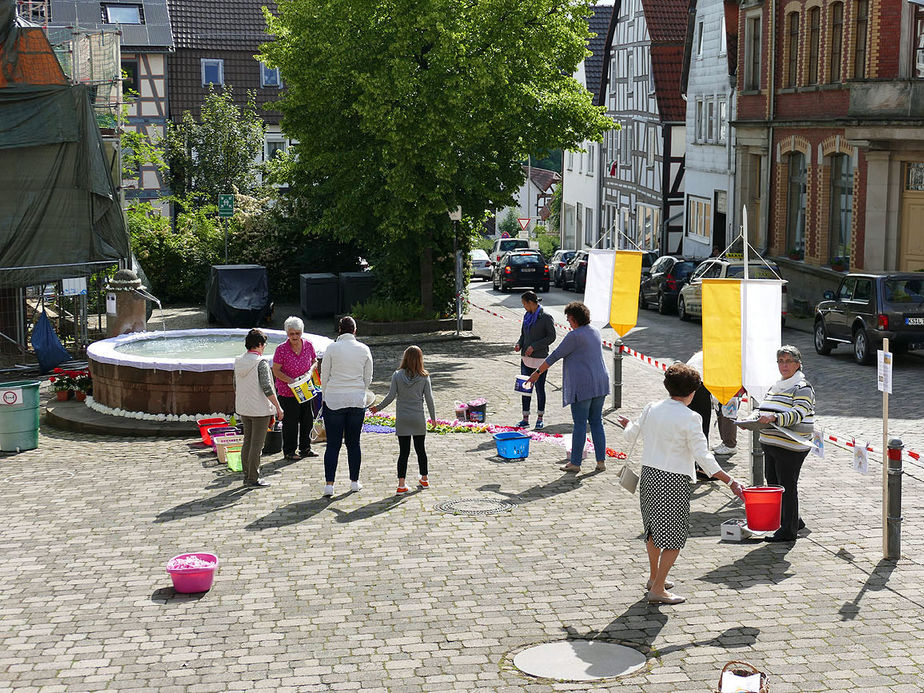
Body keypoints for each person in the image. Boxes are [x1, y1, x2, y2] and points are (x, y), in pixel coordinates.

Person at [617, 363, 745, 605]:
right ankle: (657, 588)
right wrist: (729, 480)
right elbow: (703, 456)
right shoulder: (691, 417)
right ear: (692, 391)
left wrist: (628, 425)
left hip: (649, 476)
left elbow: (630, 435)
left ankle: (655, 578)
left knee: (653, 531)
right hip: (673, 480)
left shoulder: (651, 407)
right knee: (674, 538)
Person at [525, 301, 609, 473]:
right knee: (596, 422)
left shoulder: (574, 336)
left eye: (569, 319)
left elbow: (555, 355)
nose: (568, 322)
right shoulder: (595, 331)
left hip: (583, 386)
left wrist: (537, 373)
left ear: (573, 318)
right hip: (600, 383)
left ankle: (576, 463)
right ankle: (601, 462)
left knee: (579, 424)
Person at [756, 345, 815, 543]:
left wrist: (774, 418)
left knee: (787, 486)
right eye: (781, 361)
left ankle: (788, 532)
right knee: (773, 484)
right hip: (771, 443)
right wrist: (752, 420)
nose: (784, 365)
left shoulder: (803, 387)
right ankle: (793, 520)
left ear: (798, 364)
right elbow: (764, 408)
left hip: (791, 445)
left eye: (789, 361)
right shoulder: (775, 385)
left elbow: (798, 413)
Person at [369, 345, 436, 494]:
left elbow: (391, 396)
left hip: (403, 418)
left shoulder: (397, 375)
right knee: (421, 450)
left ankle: (401, 484)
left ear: (405, 358)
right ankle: (424, 479)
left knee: (403, 453)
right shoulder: (424, 377)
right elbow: (430, 399)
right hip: (418, 417)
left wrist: (377, 408)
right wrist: (433, 418)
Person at [320, 316, 373, 497]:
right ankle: (354, 482)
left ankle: (329, 484)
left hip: (334, 399)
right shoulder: (364, 349)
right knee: (353, 443)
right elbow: (368, 377)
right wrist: (361, 391)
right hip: (356, 399)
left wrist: (325, 395)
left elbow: (324, 374)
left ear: (339, 330)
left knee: (333, 445)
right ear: (355, 330)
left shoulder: (332, 348)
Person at [234, 328, 284, 488]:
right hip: (259, 409)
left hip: (244, 408)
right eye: (264, 345)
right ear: (260, 344)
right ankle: (253, 478)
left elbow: (235, 384)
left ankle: (246, 476)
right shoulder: (260, 363)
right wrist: (278, 407)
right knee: (257, 444)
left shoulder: (239, 360)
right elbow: (267, 387)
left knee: (247, 442)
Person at [272, 316, 319, 461]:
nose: (295, 337)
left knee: (307, 419)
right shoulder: (281, 349)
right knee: (290, 422)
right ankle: (289, 451)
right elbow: (276, 370)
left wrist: (311, 371)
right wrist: (290, 380)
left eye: (297, 333)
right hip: (288, 391)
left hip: (305, 388)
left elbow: (314, 361)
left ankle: (305, 448)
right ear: (287, 333)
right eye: (291, 334)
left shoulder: (308, 345)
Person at [514, 291, 556, 429]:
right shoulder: (527, 316)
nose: (524, 307)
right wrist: (519, 343)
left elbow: (551, 337)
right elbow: (523, 335)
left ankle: (540, 417)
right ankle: (525, 418)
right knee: (525, 388)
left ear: (531, 303)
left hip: (540, 360)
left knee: (539, 388)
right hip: (525, 359)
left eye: (524, 304)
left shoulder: (546, 317)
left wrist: (534, 346)